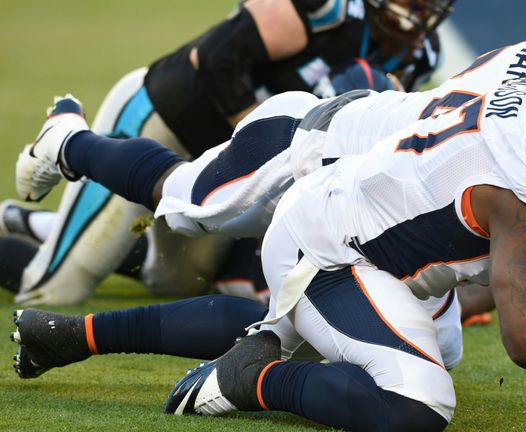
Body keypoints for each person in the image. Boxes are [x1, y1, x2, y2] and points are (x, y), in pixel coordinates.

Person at [14, 46, 526, 428]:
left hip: (384, 173)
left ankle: (260, 338)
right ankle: (71, 142)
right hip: (326, 171)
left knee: (441, 346)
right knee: (193, 199)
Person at [8, 0, 452, 306]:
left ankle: (38, 224)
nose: (420, 8)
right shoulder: (325, 9)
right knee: (57, 289)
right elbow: (217, 58)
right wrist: (262, 136)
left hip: (227, 161)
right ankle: (65, 150)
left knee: (177, 281)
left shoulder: (419, 55)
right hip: (165, 122)